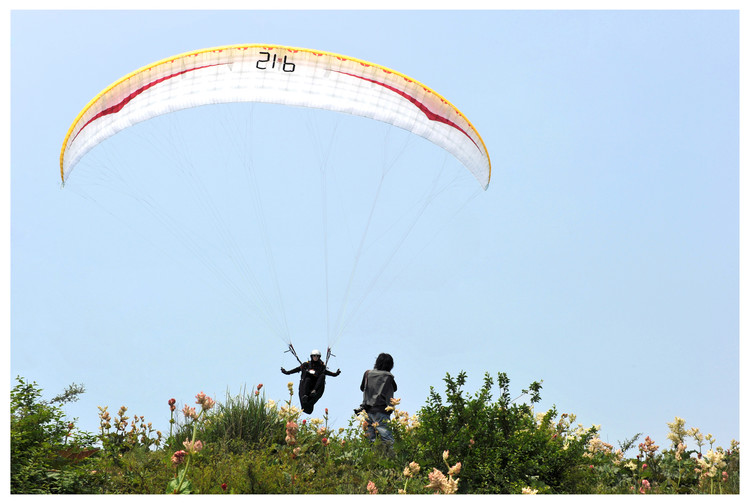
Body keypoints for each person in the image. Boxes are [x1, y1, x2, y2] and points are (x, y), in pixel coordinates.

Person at [281, 349, 341, 414]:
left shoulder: (321, 367)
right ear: (311, 356)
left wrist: (336, 374)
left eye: (317, 356)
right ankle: (305, 395)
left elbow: (328, 373)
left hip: (316, 386)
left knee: (322, 375)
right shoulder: (306, 365)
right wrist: (287, 372)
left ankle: (314, 391)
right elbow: (297, 369)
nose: (315, 357)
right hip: (307, 385)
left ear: (319, 357)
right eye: (314, 356)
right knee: (307, 379)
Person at [359, 352, 397, 446]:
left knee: (370, 440)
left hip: (367, 411)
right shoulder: (388, 376)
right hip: (382, 411)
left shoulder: (367, 373)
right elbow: (395, 388)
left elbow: (362, 388)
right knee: (387, 439)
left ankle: (373, 458)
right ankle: (392, 459)